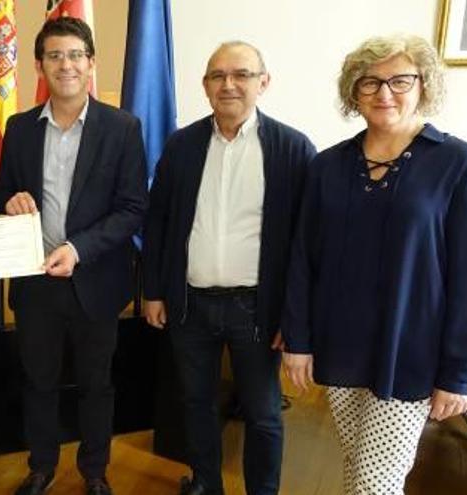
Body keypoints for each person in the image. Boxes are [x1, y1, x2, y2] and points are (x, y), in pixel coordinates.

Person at [281, 34, 467, 495]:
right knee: (360, 467)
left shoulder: (461, 165)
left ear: (423, 85)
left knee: (375, 483)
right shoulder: (328, 166)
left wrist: (458, 372)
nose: (384, 93)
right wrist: (297, 339)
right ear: (352, 91)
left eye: (400, 80)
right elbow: (303, 258)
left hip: (411, 355)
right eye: (370, 82)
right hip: (341, 348)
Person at [142, 41, 316, 495]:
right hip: (189, 304)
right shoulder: (181, 145)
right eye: (217, 76)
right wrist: (154, 290)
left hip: (256, 309)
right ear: (205, 86)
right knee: (196, 403)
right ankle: (205, 483)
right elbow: (158, 223)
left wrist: (294, 318)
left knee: (262, 413)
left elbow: (305, 246)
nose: (229, 84)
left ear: (264, 82)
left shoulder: (292, 149)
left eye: (241, 74)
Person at [0, 17, 148, 495]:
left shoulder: (122, 127)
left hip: (94, 282)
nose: (66, 64)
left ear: (91, 63)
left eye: (76, 55)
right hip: (35, 282)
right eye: (55, 56)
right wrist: (10, 201)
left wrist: (78, 250)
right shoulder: (18, 128)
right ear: (39, 65)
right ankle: (41, 467)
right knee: (37, 382)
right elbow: (2, 191)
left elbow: (132, 209)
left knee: (95, 385)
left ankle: (94, 472)